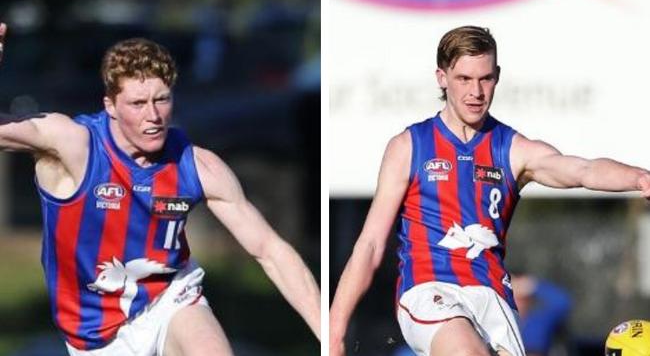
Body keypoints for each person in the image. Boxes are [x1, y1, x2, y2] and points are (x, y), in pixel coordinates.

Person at [0, 23, 320, 355]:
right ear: (110, 105)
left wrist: (329, 334)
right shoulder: (74, 145)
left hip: (171, 297)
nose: (153, 115)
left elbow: (270, 250)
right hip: (93, 334)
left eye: (162, 99)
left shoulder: (197, 165)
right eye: (138, 103)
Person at [329, 25, 650, 356]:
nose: (476, 92)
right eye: (464, 79)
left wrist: (640, 178)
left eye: (485, 79)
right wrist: (335, 332)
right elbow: (369, 245)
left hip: (493, 296)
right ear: (442, 77)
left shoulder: (511, 149)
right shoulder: (409, 146)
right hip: (430, 289)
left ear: (497, 76)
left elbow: (583, 170)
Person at [512, 274, 572, 356]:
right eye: (515, 297)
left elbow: (562, 302)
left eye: (524, 299)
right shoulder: (499, 321)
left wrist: (533, 285)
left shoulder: (539, 322)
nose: (519, 303)